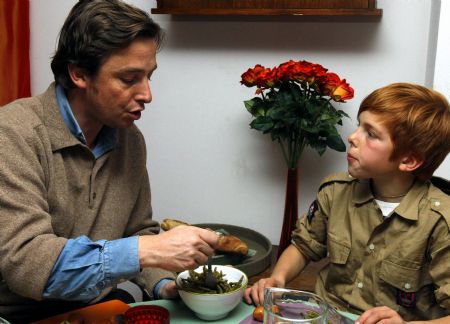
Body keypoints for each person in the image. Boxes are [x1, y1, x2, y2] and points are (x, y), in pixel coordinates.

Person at [0, 0, 219, 322]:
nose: (147, 94)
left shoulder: (129, 138)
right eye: (129, 79)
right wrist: (150, 250)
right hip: (22, 313)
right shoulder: (13, 133)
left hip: (97, 306)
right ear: (79, 74)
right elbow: (26, 265)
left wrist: (166, 285)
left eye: (149, 77)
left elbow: (138, 231)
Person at [244, 83, 450, 323]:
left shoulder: (440, 221)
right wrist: (277, 279)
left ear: (409, 160)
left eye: (371, 134)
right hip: (324, 315)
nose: (353, 138)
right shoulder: (335, 191)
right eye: (359, 126)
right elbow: (303, 246)